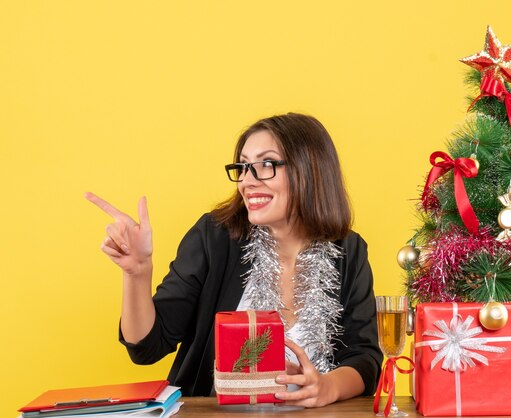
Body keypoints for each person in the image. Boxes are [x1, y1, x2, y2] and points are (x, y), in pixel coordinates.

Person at [85, 113, 382, 407]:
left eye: (265, 164)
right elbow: (147, 348)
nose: (246, 181)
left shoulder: (348, 251)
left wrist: (328, 386)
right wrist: (137, 273)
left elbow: (364, 358)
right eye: (243, 166)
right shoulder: (215, 237)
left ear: (311, 169)